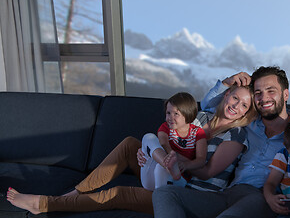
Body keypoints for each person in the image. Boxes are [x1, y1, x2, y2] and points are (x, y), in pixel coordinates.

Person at [6, 84, 257, 215]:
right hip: (166, 174)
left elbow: (207, 170)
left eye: (245, 105)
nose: (237, 106)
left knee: (118, 194)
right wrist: (151, 154)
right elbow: (167, 136)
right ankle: (75, 191)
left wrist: (169, 158)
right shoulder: (200, 117)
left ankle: (45, 204)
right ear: (226, 96)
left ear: (247, 112)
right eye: (235, 98)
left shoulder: (237, 134)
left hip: (189, 193)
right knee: (130, 144)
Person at [152, 66, 290, 218]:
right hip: (226, 193)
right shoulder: (247, 123)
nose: (263, 97)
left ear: (285, 94)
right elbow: (208, 107)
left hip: (262, 198)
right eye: (258, 93)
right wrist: (226, 83)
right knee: (164, 194)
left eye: (271, 91)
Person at [140, 92, 207, 191]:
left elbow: (201, 160)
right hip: (150, 178)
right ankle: (167, 165)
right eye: (168, 113)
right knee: (148, 137)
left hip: (179, 179)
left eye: (176, 114)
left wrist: (185, 165)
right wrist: (171, 158)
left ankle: (160, 194)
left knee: (160, 167)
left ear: (188, 114)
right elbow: (164, 144)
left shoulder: (198, 133)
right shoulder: (165, 128)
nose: (170, 117)